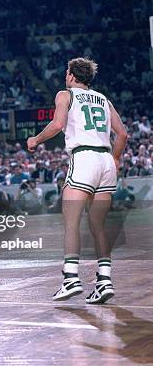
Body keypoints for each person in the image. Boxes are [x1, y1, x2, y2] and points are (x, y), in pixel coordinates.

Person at [27, 57, 127, 304]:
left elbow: (58, 124)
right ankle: (104, 282)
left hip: (84, 157)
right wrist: (115, 158)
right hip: (105, 159)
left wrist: (35, 140)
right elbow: (123, 133)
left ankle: (70, 278)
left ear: (71, 75)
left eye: (66, 72)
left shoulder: (65, 94)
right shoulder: (103, 99)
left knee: (71, 222)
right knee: (98, 225)